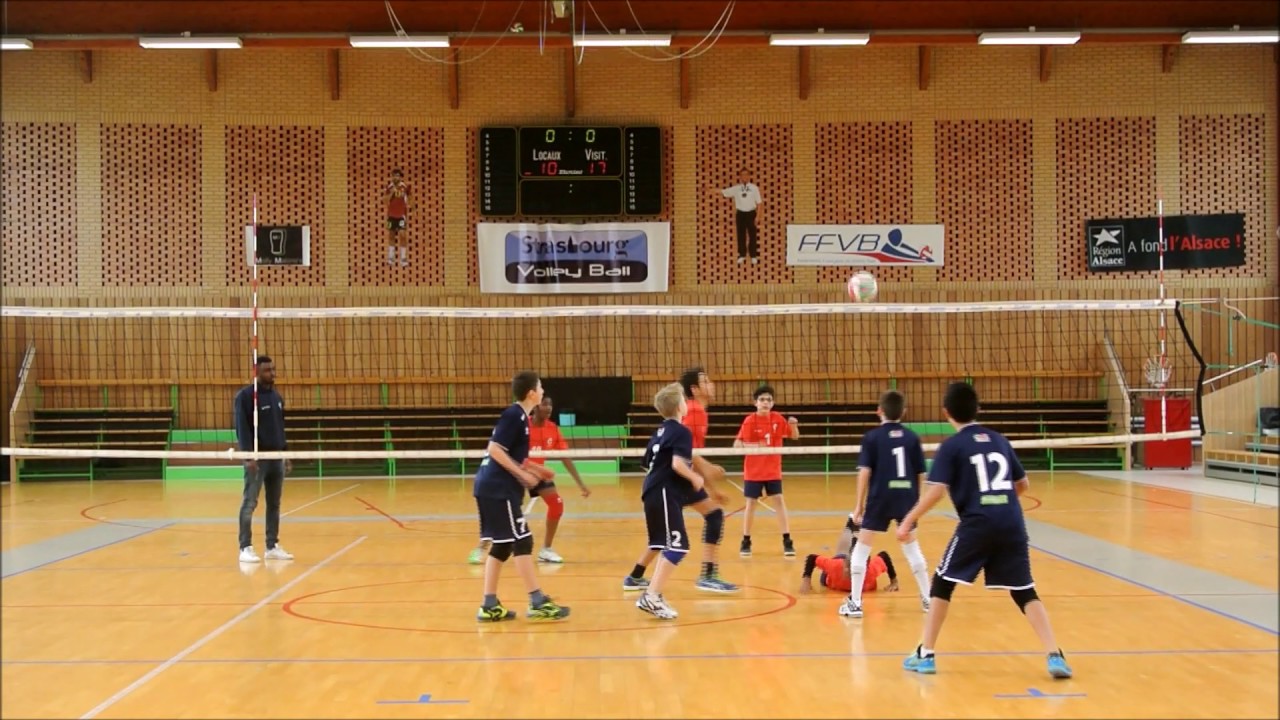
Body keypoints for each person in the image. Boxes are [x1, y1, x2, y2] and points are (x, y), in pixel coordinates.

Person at [898, 382, 1071, 678]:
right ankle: (1055, 655)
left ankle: (925, 654)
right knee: (1024, 590)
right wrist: (1000, 506)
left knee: (942, 583)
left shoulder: (951, 446)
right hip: (1012, 522)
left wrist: (907, 520)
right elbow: (1023, 485)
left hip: (977, 524)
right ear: (978, 410)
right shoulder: (999, 440)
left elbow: (936, 491)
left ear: (946, 413)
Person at [623, 367, 738, 593]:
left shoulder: (697, 411)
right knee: (713, 516)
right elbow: (682, 451)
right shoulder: (694, 412)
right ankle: (707, 575)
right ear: (694, 389)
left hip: (672, 480)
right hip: (675, 480)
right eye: (706, 381)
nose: (712, 384)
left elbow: (686, 452)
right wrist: (705, 470)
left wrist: (710, 484)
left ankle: (635, 576)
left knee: (664, 533)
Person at [472, 370, 570, 622]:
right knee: (522, 541)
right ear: (531, 393)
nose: (543, 392)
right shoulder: (514, 415)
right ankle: (537, 601)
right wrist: (521, 474)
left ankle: (489, 604)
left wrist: (536, 469)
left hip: (491, 488)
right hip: (498, 489)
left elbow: (513, 455)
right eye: (540, 388)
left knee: (503, 544)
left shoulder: (520, 419)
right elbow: (494, 449)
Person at [841, 390, 933, 618]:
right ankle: (928, 599)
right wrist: (917, 504)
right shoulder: (912, 438)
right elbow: (921, 473)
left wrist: (859, 506)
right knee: (912, 547)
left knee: (862, 547)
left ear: (878, 411)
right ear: (904, 412)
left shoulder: (872, 437)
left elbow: (864, 473)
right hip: (906, 499)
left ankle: (855, 603)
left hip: (880, 497)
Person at [634, 383, 708, 620]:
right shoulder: (681, 431)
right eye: (685, 400)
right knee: (678, 545)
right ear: (679, 406)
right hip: (663, 491)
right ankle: (652, 596)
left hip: (653, 490)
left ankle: (653, 594)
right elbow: (677, 464)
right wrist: (695, 477)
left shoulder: (659, 431)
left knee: (666, 544)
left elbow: (648, 463)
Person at [234, 355, 292, 563]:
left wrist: (285, 454)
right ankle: (245, 547)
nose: (272, 373)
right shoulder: (246, 396)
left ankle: (271, 545)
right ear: (256, 372)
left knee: (274, 504)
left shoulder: (277, 397)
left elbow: (281, 428)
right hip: (257, 459)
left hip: (276, 457)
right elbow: (242, 427)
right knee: (250, 502)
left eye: (273, 369)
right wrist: (248, 455)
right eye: (268, 370)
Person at [734, 384, 799, 558]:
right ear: (755, 402)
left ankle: (787, 541)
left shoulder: (777, 418)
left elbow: (793, 436)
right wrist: (757, 446)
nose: (765, 402)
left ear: (773, 403)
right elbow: (737, 445)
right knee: (751, 504)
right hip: (754, 471)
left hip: (773, 471)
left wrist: (793, 425)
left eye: (769, 400)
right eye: (762, 399)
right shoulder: (750, 420)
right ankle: (746, 540)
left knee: (778, 500)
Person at [799, 516, 899, 595]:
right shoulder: (836, 566)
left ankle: (853, 526)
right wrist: (806, 580)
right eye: (847, 566)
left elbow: (884, 556)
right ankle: (851, 525)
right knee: (842, 551)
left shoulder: (871, 571)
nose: (847, 571)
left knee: (853, 548)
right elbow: (812, 558)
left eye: (851, 569)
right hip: (833, 571)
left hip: (847, 562)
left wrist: (894, 582)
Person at [718, 169, 762, 265]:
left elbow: (759, 203)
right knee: (740, 235)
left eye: (746, 174)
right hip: (740, 214)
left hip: (751, 214)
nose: (744, 176)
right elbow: (723, 192)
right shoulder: (736, 188)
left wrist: (757, 217)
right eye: (742, 175)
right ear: (740, 177)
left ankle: (753, 255)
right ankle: (742, 255)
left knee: (752, 235)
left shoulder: (754, 188)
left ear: (749, 176)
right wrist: (709, 190)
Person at [384, 168, 410, 266]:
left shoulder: (404, 187)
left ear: (400, 177)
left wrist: (414, 208)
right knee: (391, 235)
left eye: (398, 175)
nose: (396, 177)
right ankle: (391, 257)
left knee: (402, 235)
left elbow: (410, 198)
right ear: (392, 177)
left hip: (401, 215)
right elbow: (385, 201)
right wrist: (392, 192)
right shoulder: (389, 187)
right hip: (391, 215)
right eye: (394, 175)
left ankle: (403, 258)